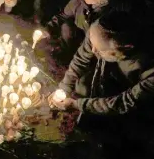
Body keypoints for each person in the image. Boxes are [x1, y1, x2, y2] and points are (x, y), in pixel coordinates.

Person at [50, 11, 154, 158]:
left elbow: (125, 102)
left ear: (126, 48)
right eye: (92, 44)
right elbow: (81, 58)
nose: (92, 51)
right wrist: (65, 87)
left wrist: (78, 104)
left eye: (99, 50)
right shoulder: (100, 30)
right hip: (111, 78)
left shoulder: (149, 68)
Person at [39, 0, 122, 67]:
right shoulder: (79, 2)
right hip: (76, 39)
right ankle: (66, 55)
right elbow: (62, 16)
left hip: (92, 51)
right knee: (66, 27)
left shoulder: (111, 14)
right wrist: (47, 29)